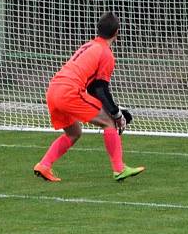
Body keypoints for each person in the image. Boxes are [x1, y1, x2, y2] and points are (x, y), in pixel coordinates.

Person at [33, 11, 144, 182]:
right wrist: (116, 114)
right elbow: (99, 89)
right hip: (69, 92)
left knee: (74, 133)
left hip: (53, 90)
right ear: (116, 33)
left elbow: (93, 89)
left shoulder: (89, 45)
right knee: (108, 122)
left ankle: (44, 165)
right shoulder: (106, 53)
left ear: (98, 30)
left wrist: (115, 109)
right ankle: (119, 169)